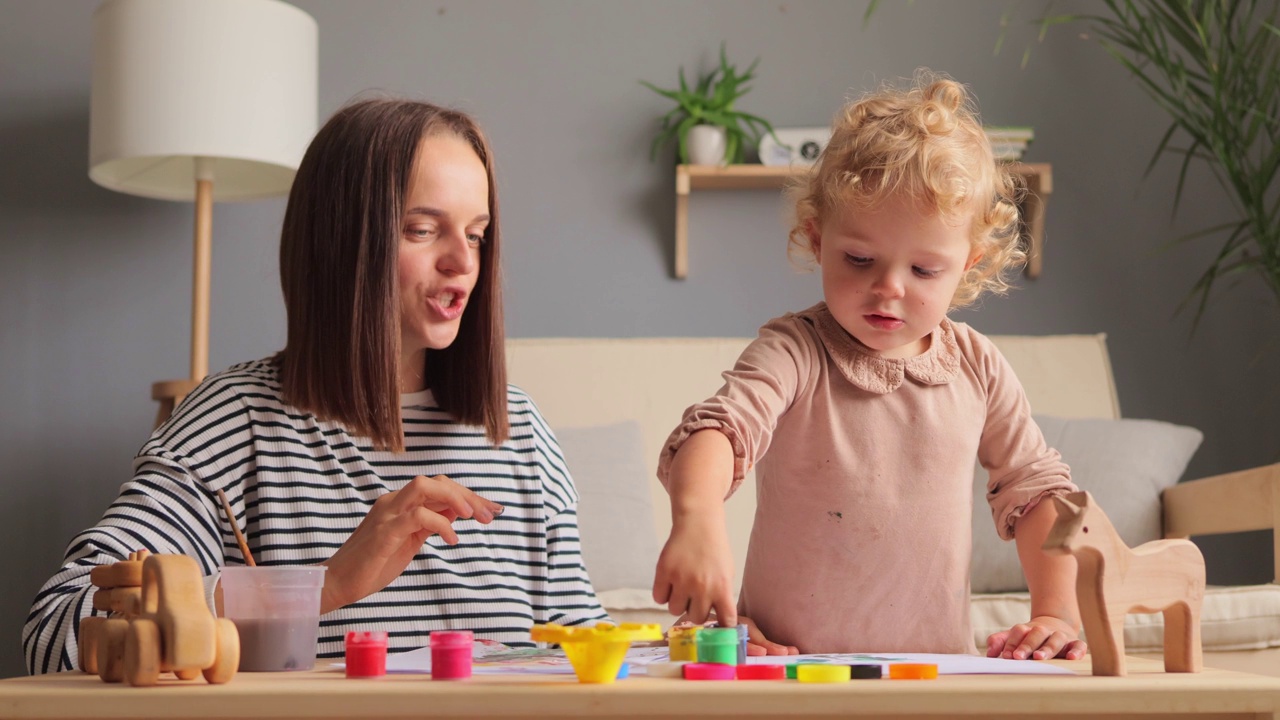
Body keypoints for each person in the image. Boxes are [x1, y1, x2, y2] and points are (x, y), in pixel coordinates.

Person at [24, 98, 608, 675]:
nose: (463, 261)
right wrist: (320, 587)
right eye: (422, 229)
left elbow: (589, 664)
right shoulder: (237, 418)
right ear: (343, 243)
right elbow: (58, 632)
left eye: (477, 234)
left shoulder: (520, 431)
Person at [651, 73, 1087, 662]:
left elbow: (1038, 493)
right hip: (789, 670)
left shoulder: (978, 366)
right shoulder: (796, 350)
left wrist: (1056, 613)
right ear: (816, 237)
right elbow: (718, 430)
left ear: (968, 264)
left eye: (925, 270)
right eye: (859, 259)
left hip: (933, 678)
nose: (888, 288)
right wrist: (697, 518)